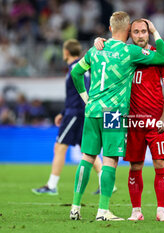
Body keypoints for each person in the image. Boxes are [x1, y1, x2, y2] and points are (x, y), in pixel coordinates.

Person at [70, 11, 164, 221]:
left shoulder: (96, 49)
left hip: (92, 109)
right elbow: (163, 57)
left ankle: (75, 207)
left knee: (87, 157)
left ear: (109, 28)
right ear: (128, 31)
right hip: (113, 112)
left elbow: (76, 73)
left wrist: (85, 98)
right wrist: (155, 32)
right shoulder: (129, 51)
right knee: (109, 161)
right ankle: (103, 210)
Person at [32, 39, 103, 195]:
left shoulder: (76, 68)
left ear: (66, 52)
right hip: (76, 112)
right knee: (88, 151)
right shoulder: (81, 67)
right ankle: (104, 182)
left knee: (59, 147)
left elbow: (81, 91)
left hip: (76, 114)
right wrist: (63, 113)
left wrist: (71, 113)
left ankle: (51, 186)